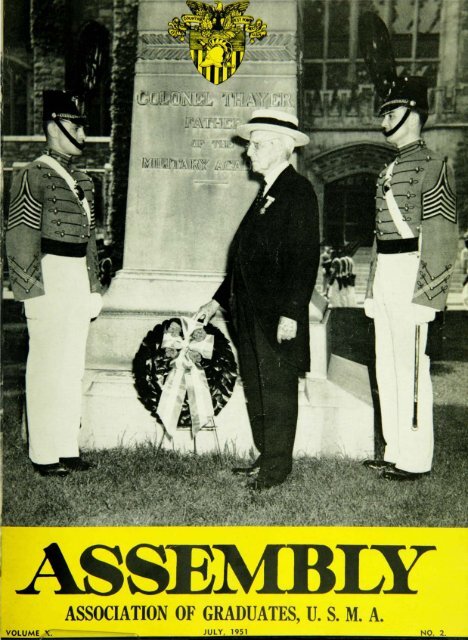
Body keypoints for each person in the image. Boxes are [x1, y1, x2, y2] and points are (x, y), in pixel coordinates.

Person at [197, 109, 320, 490]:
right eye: (251, 144)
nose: (249, 151)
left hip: (274, 314)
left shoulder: (297, 192)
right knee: (257, 383)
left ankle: (276, 469)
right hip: (250, 312)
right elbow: (244, 260)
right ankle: (266, 456)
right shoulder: (267, 193)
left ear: (282, 148)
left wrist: (292, 313)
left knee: (277, 388)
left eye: (257, 144)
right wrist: (217, 302)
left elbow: (304, 258)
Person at [363, 76, 459, 481]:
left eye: (392, 111)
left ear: (413, 113)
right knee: (386, 364)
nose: (384, 118)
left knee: (412, 367)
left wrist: (429, 295)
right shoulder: (389, 167)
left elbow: (440, 234)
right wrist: (371, 286)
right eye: (383, 111)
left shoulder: (434, 164)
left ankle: (416, 459)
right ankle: (395, 448)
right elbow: (379, 234)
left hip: (412, 273)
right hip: (386, 271)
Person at [5, 90, 103, 477]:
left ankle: (67, 447)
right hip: (50, 273)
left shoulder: (83, 180)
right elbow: (20, 235)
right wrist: (30, 292)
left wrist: (94, 287)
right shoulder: (33, 174)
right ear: (54, 126)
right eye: (75, 124)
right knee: (46, 365)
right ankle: (44, 453)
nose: (81, 132)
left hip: (76, 276)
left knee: (72, 366)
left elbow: (90, 240)